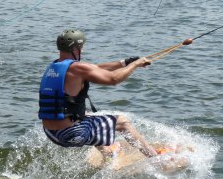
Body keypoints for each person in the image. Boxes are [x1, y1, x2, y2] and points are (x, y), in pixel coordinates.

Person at [39, 29, 158, 159]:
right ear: (75, 49)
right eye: (81, 48)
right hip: (70, 134)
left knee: (86, 115)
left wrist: (124, 63)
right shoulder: (78, 69)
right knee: (123, 123)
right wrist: (135, 64)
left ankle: (106, 152)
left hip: (51, 133)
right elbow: (113, 79)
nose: (82, 51)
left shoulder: (54, 67)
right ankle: (155, 158)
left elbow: (93, 68)